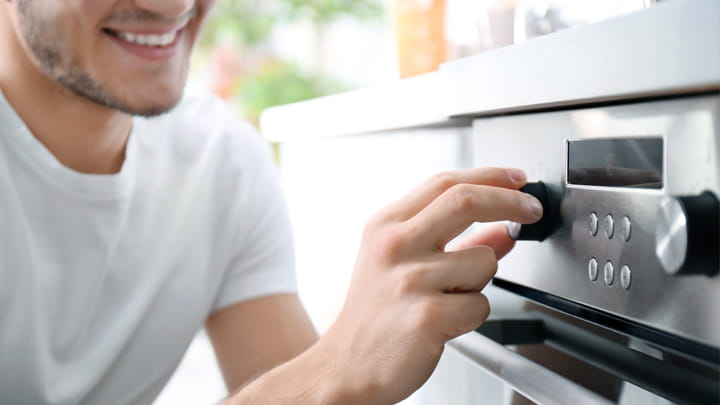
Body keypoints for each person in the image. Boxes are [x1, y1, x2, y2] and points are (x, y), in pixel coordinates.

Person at [0, 0, 543, 404]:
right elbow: (316, 384)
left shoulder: (219, 161)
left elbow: (303, 387)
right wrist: (334, 368)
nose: (171, 8)